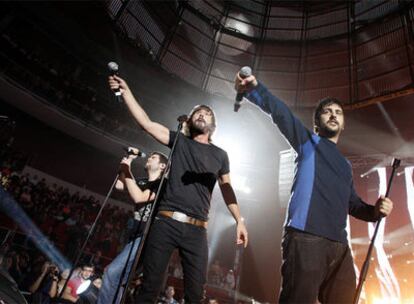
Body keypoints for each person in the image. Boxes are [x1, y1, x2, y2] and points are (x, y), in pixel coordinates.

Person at [234, 73, 394, 303]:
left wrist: (376, 211)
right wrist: (253, 89)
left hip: (340, 246)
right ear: (316, 122)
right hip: (306, 238)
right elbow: (281, 113)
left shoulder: (346, 166)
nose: (333, 115)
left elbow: (353, 204)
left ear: (343, 123)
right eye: (327, 111)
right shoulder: (308, 142)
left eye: (338, 112)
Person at [108, 75, 248, 303]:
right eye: (198, 112)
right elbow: (146, 124)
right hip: (166, 222)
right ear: (190, 120)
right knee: (149, 288)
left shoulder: (221, 155)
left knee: (195, 295)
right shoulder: (179, 141)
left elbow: (227, 188)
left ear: (213, 125)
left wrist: (240, 220)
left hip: (197, 230)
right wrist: (125, 91)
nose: (202, 114)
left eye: (207, 113)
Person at [97, 150, 167, 304]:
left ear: (162, 165)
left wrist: (127, 169)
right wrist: (125, 164)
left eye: (153, 157)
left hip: (147, 237)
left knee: (111, 272)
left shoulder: (162, 184)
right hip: (133, 236)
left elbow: (139, 197)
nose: (149, 158)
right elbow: (120, 185)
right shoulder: (142, 181)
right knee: (120, 279)